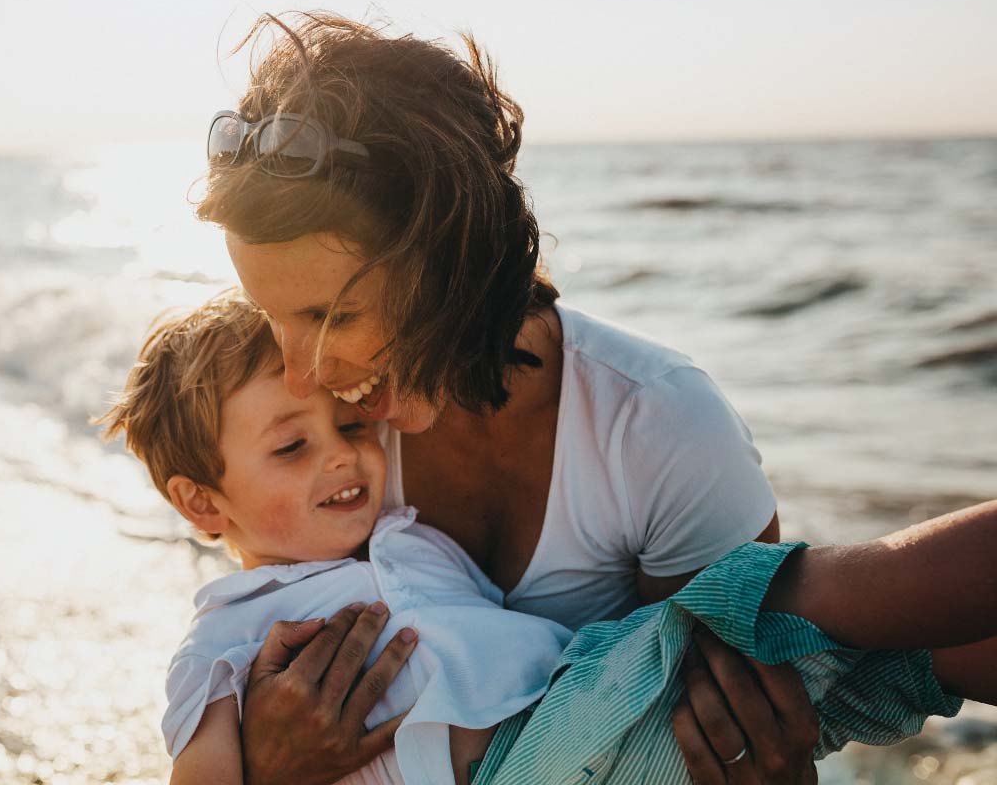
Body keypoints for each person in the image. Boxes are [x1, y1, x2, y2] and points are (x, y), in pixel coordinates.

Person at [195, 11, 815, 784]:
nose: (299, 374)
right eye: (271, 316)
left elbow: (746, 729)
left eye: (331, 317)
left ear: (452, 264)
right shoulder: (322, 444)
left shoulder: (657, 428)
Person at [98, 294, 996, 785]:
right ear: (202, 503)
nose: (346, 457)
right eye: (293, 447)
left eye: (349, 426)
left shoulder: (408, 538)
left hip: (591, 719)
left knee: (892, 671)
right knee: (775, 606)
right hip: (529, 760)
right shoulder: (226, 634)